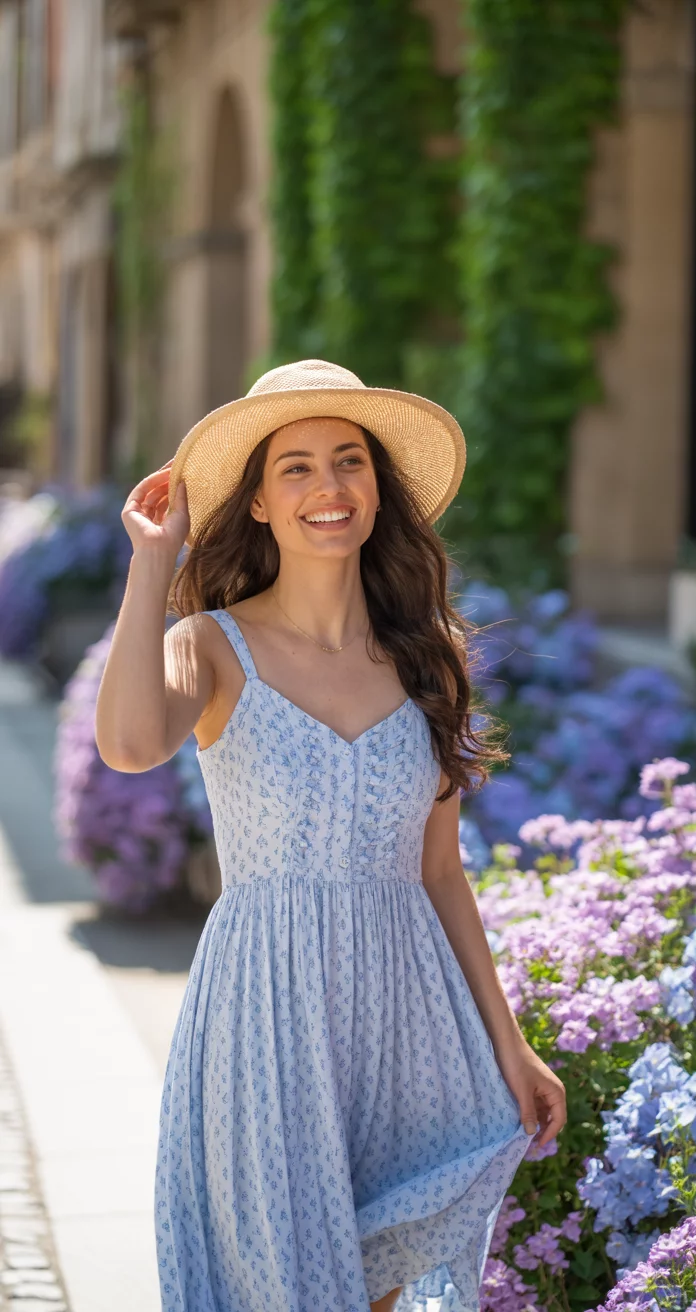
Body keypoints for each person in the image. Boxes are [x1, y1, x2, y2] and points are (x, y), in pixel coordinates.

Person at [95, 359, 566, 1312]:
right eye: (297, 468)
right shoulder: (208, 645)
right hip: (265, 1018)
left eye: (348, 461)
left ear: (378, 492)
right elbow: (132, 742)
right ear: (261, 504)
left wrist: (508, 1044)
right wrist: (154, 565)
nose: (328, 487)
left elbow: (441, 872)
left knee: (378, 1293)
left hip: (407, 1021)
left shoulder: (427, 660)